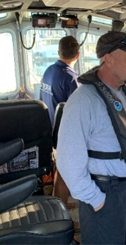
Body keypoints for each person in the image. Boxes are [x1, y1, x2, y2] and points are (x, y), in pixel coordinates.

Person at [56, 31, 126, 245]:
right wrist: (96, 200)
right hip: (103, 192)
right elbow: (68, 161)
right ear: (108, 59)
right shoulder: (83, 101)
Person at [40, 35, 80, 211]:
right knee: (64, 173)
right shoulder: (71, 78)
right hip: (64, 133)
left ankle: (60, 201)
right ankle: (61, 211)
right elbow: (79, 110)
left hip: (49, 128)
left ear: (58, 52)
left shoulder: (48, 71)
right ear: (77, 55)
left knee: (60, 170)